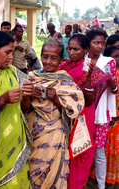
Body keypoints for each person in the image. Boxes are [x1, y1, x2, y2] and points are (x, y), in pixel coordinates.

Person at [25, 38, 85, 188]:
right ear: (40, 56)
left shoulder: (66, 81)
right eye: (45, 56)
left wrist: (56, 99)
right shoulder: (31, 78)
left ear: (60, 60)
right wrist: (28, 95)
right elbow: (23, 109)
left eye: (54, 58)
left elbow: (72, 112)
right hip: (33, 135)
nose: (48, 62)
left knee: (55, 177)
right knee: (32, 174)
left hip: (55, 137)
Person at [58, 34, 111, 189]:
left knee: (78, 154)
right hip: (63, 114)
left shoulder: (90, 70)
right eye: (70, 49)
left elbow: (90, 100)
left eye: (76, 49)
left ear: (86, 50)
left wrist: (87, 80)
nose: (72, 52)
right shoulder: (64, 65)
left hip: (82, 117)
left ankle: (76, 184)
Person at [0, 31, 33, 188]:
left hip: (14, 141)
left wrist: (26, 96)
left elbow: (25, 109)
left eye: (12, 52)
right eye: (7, 52)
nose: (11, 57)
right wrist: (2, 100)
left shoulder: (14, 73)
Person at [86, 30, 117, 189]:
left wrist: (112, 84)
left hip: (101, 115)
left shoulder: (109, 62)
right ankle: (81, 181)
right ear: (89, 42)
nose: (99, 46)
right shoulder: (82, 61)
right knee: (82, 149)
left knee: (99, 153)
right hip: (84, 113)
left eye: (102, 43)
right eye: (95, 43)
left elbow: (114, 90)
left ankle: (101, 185)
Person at [104, 45, 119, 188]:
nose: (118, 60)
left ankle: (113, 174)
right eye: (115, 57)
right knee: (104, 148)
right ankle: (103, 175)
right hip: (108, 116)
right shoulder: (107, 73)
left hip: (117, 118)